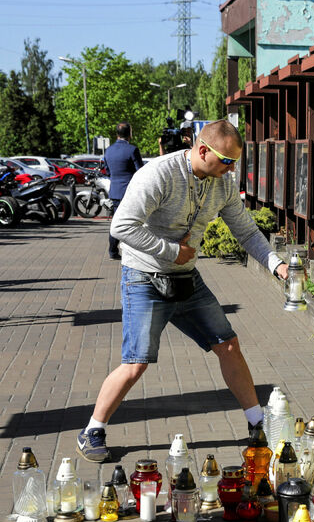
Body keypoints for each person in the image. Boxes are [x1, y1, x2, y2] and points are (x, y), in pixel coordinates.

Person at [77, 119, 290, 462]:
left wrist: (275, 264)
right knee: (136, 363)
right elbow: (121, 226)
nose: (230, 169)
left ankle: (257, 423)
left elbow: (246, 231)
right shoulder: (158, 174)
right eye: (226, 160)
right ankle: (92, 431)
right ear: (203, 149)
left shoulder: (221, 182)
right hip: (144, 277)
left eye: (235, 162)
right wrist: (171, 252)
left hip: (186, 278)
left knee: (228, 344)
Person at [101, 122, 144, 259]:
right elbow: (140, 171)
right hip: (130, 192)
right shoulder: (132, 150)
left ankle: (113, 251)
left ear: (117, 134)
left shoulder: (109, 150)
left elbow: (107, 171)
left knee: (116, 222)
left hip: (115, 192)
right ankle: (132, 251)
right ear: (130, 133)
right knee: (134, 222)